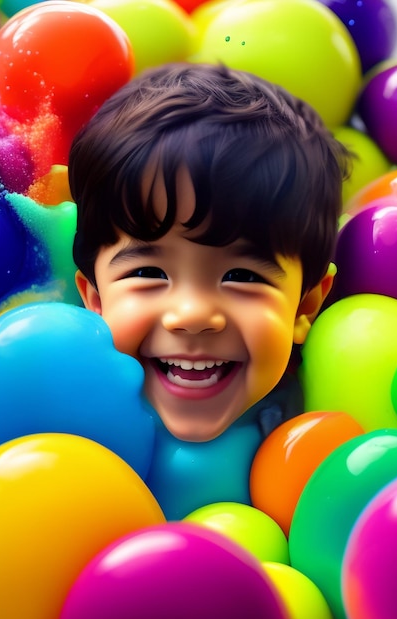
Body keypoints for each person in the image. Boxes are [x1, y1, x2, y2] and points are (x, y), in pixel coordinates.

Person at [69, 62, 351, 448]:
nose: (192, 314)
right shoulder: (68, 414)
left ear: (305, 305)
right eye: (150, 272)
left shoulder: (320, 428)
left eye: (243, 276)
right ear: (95, 301)